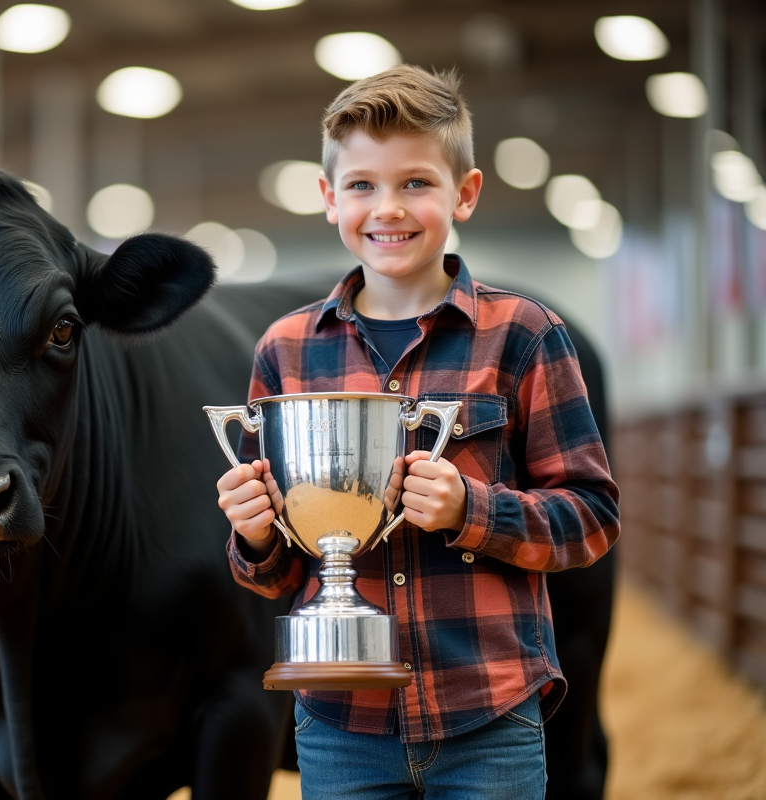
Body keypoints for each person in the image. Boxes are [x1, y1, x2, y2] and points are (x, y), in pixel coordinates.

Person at [215, 64, 619, 799]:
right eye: (363, 185)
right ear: (329, 198)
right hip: (341, 725)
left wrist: (475, 511)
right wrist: (256, 536)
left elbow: (592, 519)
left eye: (416, 183)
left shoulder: (525, 336)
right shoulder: (284, 350)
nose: (387, 207)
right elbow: (273, 573)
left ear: (464, 193)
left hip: (489, 716)